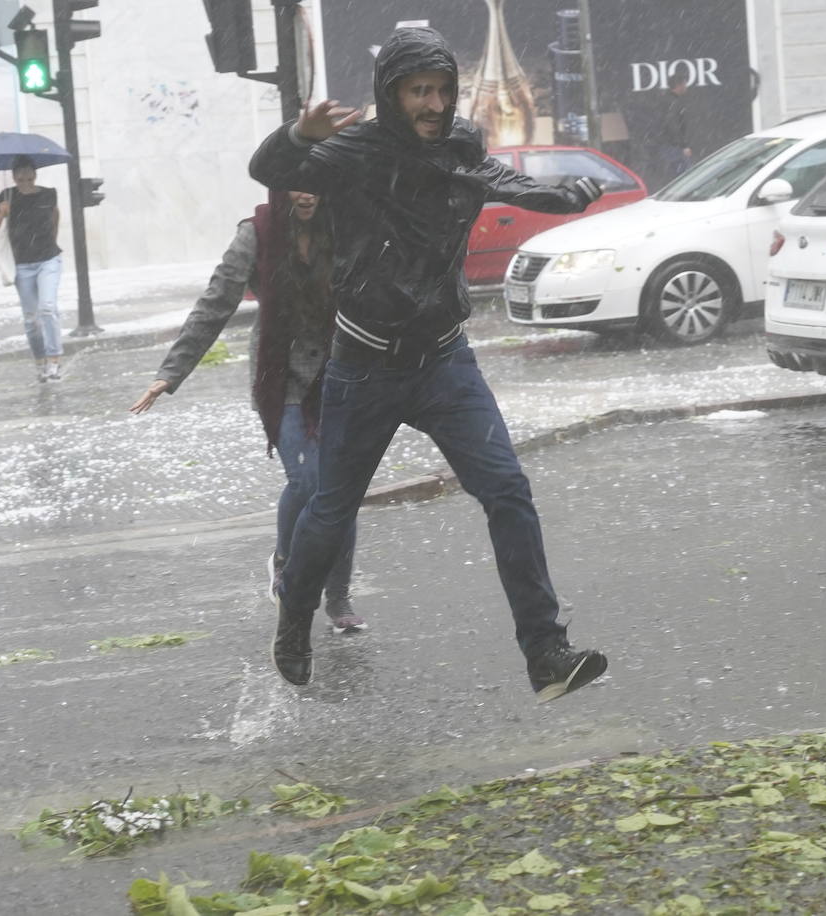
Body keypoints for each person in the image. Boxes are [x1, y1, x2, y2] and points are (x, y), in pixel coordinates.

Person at [248, 25, 608, 702]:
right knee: (331, 507)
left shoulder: (461, 142)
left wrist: (556, 196)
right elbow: (269, 170)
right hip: (364, 363)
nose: (434, 104)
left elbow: (492, 177)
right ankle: (295, 615)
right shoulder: (355, 148)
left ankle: (546, 655)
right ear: (393, 93)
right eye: (419, 91)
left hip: (445, 358)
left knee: (508, 491)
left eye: (442, 90)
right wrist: (299, 135)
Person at [129, 190, 364, 633]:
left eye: (316, 181)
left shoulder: (344, 226)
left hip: (339, 373)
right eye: (296, 182)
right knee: (307, 478)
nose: (308, 193)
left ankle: (338, 597)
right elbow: (215, 303)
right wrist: (171, 373)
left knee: (341, 489)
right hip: (282, 377)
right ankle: (284, 560)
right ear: (279, 187)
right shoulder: (257, 233)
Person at [0, 155, 64, 383]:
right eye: (20, 177)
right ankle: (39, 361)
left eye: (28, 176)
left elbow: (55, 217)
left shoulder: (48, 194)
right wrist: (2, 212)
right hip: (22, 265)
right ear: (13, 177)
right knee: (31, 319)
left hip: (48, 260)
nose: (25, 181)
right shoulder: (7, 196)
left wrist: (50, 241)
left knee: (48, 308)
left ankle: (54, 360)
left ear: (35, 174)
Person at [652, 70, 694, 187]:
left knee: (677, 178)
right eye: (684, 84)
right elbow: (673, 125)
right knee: (687, 179)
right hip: (674, 147)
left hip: (668, 145)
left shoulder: (667, 100)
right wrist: (683, 145)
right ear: (679, 85)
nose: (686, 87)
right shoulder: (673, 102)